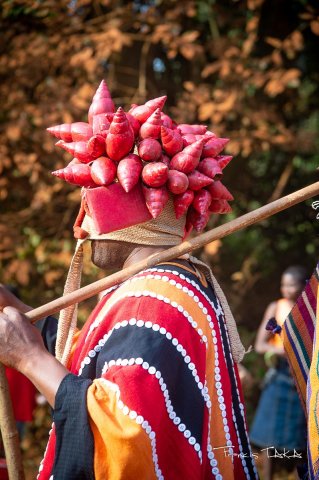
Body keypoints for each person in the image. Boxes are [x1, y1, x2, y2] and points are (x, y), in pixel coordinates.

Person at [0, 81, 258, 479]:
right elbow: (91, 365)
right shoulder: (171, 285)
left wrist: (30, 359)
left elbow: (124, 434)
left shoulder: (150, 301)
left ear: (125, 209)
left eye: (88, 200)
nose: (80, 226)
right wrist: (18, 314)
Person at [250, 266, 308, 480]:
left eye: (291, 285)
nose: (286, 289)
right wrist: (283, 351)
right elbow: (260, 345)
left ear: (303, 287)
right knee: (269, 436)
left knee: (300, 440)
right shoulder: (276, 307)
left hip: (302, 379)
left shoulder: (310, 311)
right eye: (283, 284)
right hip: (279, 376)